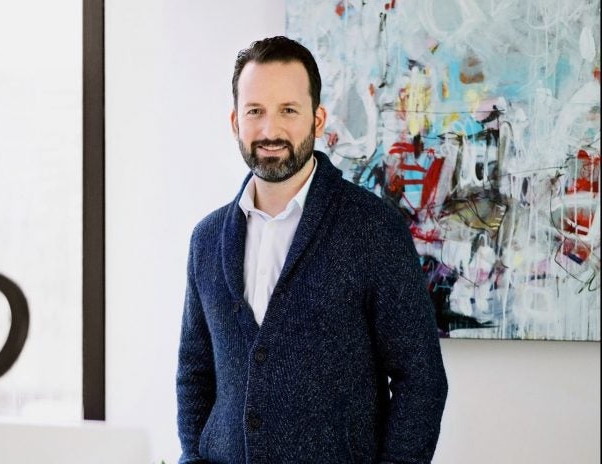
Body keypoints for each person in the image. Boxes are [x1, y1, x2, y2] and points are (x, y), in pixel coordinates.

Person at [176, 36, 447, 464]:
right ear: (235, 122)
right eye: (255, 111)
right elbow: (194, 373)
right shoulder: (206, 239)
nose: (270, 131)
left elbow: (421, 379)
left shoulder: (373, 229)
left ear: (317, 120)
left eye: (288, 110)